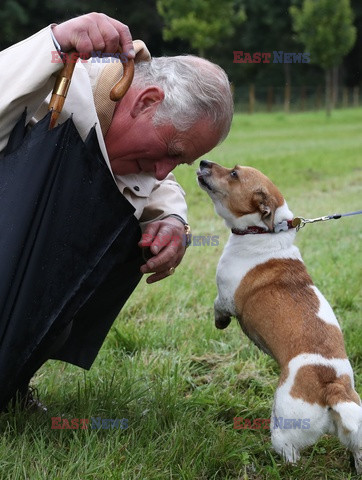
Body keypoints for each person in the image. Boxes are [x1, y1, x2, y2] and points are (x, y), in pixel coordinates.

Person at [0, 13, 233, 410]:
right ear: (146, 102)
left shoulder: (134, 140)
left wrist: (173, 221)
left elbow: (159, 184)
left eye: (177, 163)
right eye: (170, 153)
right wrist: (52, 44)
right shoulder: (54, 83)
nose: (162, 171)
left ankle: (12, 377)